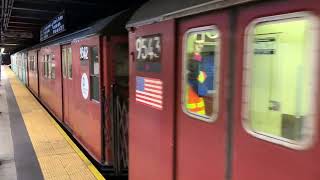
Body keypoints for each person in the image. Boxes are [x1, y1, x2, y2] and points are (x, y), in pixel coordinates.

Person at [186, 39, 208, 115]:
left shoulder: (200, 58)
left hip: (198, 91)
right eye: (198, 44)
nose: (200, 46)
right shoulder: (190, 59)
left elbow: (202, 73)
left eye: (202, 44)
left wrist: (203, 75)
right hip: (192, 91)